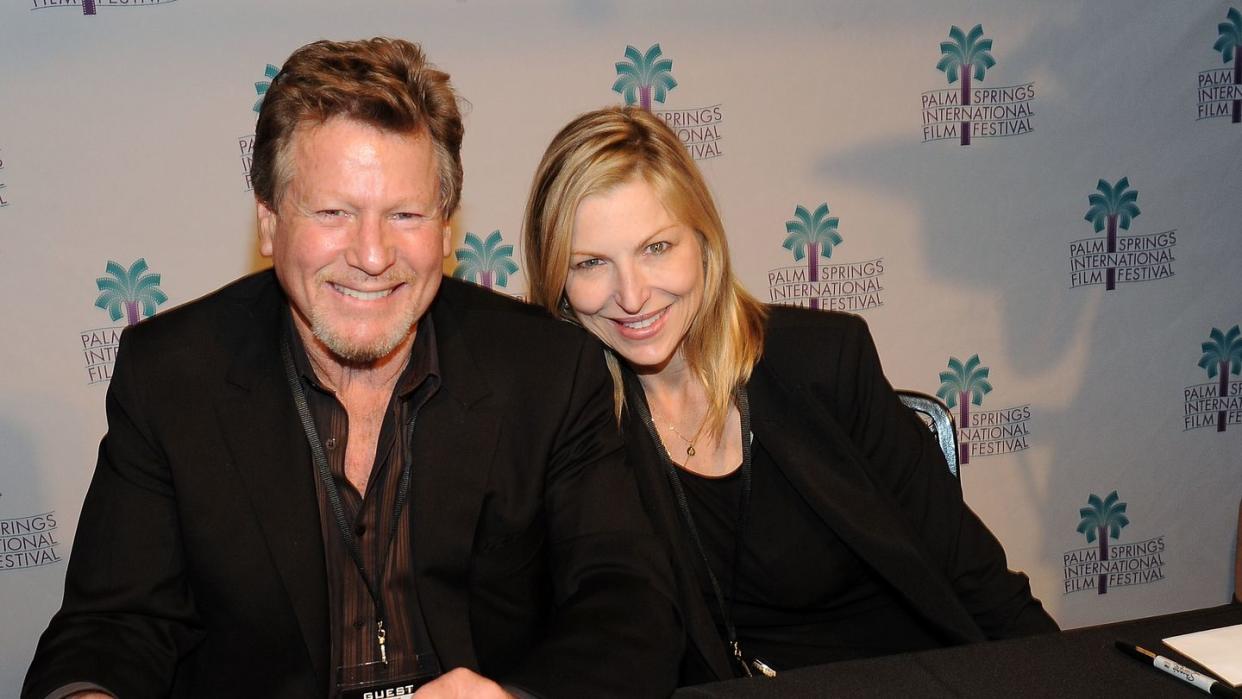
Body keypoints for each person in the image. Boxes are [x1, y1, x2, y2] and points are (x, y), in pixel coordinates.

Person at [23, 41, 681, 699]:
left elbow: (628, 605)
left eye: (405, 214)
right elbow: (109, 629)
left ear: (447, 230)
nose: (371, 254)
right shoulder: (170, 377)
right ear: (269, 221)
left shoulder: (547, 369)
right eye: (334, 213)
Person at [522, 106, 1060, 685]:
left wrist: (1067, 680)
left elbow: (974, 579)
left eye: (656, 248)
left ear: (703, 242)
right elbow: (562, 638)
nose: (631, 295)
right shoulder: (568, 425)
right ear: (558, 283)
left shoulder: (825, 361)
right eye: (592, 263)